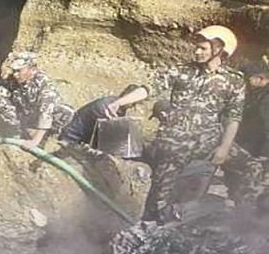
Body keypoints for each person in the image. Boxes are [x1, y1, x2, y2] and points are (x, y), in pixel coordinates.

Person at [102, 25, 261, 221]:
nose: (197, 51)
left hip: (209, 140)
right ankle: (156, 225)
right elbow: (149, 88)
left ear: (219, 49)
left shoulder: (234, 81)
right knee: (158, 202)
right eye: (197, 47)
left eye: (203, 48)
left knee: (252, 168)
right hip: (175, 143)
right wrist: (120, 102)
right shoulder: (182, 71)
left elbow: (233, 117)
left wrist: (224, 148)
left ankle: (245, 218)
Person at [0, 51, 74, 148]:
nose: (15, 75)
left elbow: (46, 112)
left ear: (32, 69)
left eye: (19, 71)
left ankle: (46, 136)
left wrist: (34, 141)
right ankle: (18, 134)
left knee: (66, 112)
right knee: (2, 102)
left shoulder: (44, 83)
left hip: (46, 118)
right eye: (14, 71)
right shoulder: (13, 81)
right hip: (27, 117)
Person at [59, 85, 145, 147]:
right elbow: (106, 137)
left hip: (79, 138)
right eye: (133, 103)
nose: (133, 107)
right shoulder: (108, 108)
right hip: (70, 138)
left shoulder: (116, 105)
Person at [240, 60, 269, 157]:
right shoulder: (258, 93)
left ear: (259, 79)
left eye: (248, 79)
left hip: (260, 149)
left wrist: (265, 155)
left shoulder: (266, 98)